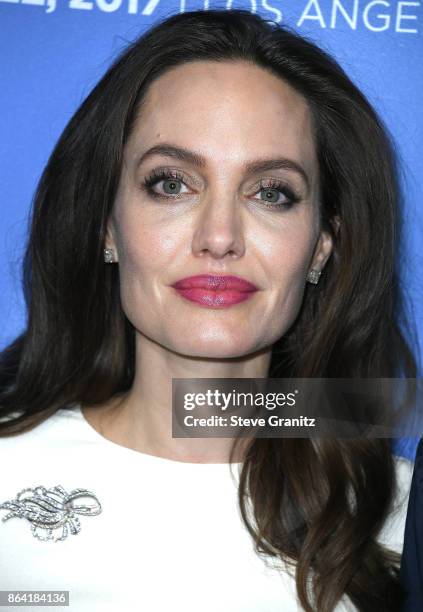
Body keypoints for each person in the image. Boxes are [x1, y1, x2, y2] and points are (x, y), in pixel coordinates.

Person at [0, 8, 419, 612]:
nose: (219, 236)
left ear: (321, 247)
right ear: (106, 226)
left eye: (271, 192)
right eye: (172, 183)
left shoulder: (397, 522)